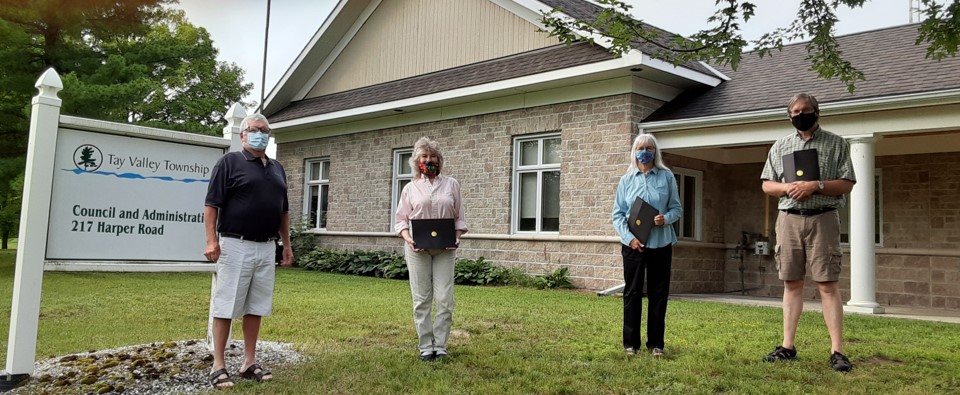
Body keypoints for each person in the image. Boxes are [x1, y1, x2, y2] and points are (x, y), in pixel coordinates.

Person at [760, 93, 856, 372]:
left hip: (823, 218)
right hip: (789, 219)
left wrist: (817, 185)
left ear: (817, 112)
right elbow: (767, 184)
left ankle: (837, 351)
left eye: (807, 110)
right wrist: (788, 188)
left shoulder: (836, 143)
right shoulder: (781, 145)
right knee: (791, 283)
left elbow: (847, 182)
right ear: (789, 116)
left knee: (827, 284)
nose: (801, 115)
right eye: (796, 111)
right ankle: (787, 347)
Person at [203, 113, 294, 389]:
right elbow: (211, 205)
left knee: (256, 306)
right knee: (226, 304)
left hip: (266, 247)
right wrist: (211, 241)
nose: (261, 134)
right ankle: (218, 365)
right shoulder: (229, 163)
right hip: (235, 243)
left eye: (265, 130)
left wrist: (286, 245)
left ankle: (248, 362)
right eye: (255, 129)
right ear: (243, 135)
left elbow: (283, 210)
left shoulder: (277, 168)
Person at [394, 137, 468, 362]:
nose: (429, 160)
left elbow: (459, 218)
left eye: (433, 156)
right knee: (421, 298)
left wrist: (456, 238)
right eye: (424, 157)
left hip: (445, 249)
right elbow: (401, 221)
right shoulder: (410, 188)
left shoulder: (452, 184)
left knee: (445, 298)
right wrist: (408, 239)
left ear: (439, 160)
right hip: (418, 250)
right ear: (417, 161)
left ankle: (441, 344)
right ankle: (426, 345)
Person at [611, 133, 682, 358]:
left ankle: (656, 345)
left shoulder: (667, 177)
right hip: (633, 245)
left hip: (660, 244)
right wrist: (629, 238)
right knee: (632, 293)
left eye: (649, 148)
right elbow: (617, 214)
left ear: (655, 151)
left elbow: (677, 209)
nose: (645, 151)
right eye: (641, 147)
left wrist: (666, 218)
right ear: (634, 151)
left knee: (658, 293)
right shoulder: (626, 180)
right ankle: (630, 345)